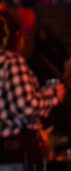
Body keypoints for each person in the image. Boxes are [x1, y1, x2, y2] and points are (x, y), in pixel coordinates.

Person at [0, 8, 65, 151]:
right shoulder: (12, 61)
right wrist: (53, 94)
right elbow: (24, 104)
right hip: (14, 145)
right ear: (16, 36)